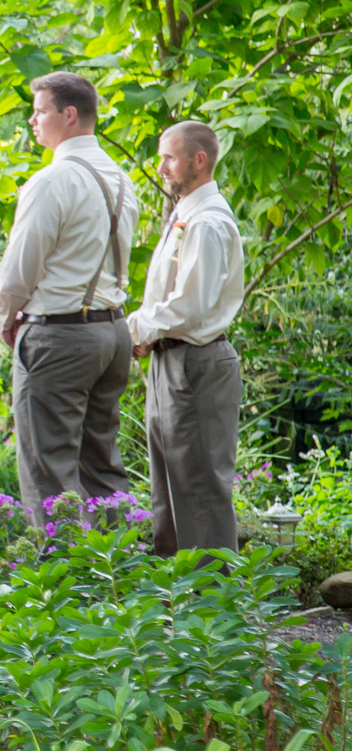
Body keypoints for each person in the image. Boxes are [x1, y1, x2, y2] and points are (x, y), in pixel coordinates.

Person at [0, 72, 140, 518]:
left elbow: (20, 268)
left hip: (60, 336)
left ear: (68, 115)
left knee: (48, 468)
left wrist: (4, 319)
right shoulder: (120, 178)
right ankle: (119, 574)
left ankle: (65, 581)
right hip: (112, 332)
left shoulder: (52, 180)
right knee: (102, 466)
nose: (32, 121)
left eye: (39, 112)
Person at [128, 121, 244, 555]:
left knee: (199, 488)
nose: (161, 167)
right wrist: (151, 337)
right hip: (169, 359)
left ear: (199, 160)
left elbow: (191, 305)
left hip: (196, 364)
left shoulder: (208, 222)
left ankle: (213, 606)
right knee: (169, 489)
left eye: (170, 157)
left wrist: (136, 328)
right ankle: (176, 599)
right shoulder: (186, 214)